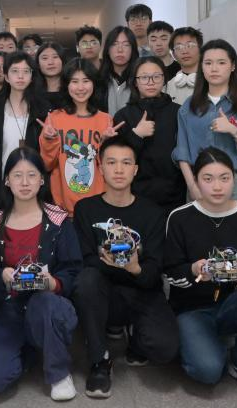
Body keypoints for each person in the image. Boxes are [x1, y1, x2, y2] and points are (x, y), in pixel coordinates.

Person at [164, 147, 237, 395]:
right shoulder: (180, 218)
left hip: (235, 303)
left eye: (224, 178)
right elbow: (169, 271)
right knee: (207, 371)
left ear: (233, 179)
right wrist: (194, 270)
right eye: (208, 178)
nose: (217, 186)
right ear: (196, 181)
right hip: (192, 309)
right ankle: (205, 344)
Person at [72, 136, 179, 398]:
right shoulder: (85, 209)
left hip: (142, 291)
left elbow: (154, 271)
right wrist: (118, 266)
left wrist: (134, 268)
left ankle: (137, 339)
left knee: (165, 349)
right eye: (111, 162)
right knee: (86, 280)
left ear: (135, 169)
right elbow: (84, 261)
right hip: (104, 291)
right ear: (100, 167)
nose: (119, 170)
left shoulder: (153, 213)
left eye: (126, 163)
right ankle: (99, 360)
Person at [0, 147, 82, 401]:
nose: (24, 182)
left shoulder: (58, 220)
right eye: (17, 175)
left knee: (46, 304)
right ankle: (28, 354)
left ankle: (58, 373)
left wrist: (53, 283)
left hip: (46, 306)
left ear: (42, 180)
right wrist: (1, 276)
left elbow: (74, 269)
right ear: (7, 181)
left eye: (32, 175)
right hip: (8, 309)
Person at [173, 39, 237, 206]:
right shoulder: (189, 106)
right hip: (199, 182)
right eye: (208, 63)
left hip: (235, 182)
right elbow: (182, 150)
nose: (214, 68)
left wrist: (233, 130)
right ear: (201, 67)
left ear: (233, 66)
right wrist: (192, 186)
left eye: (221, 63)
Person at [38, 58, 119, 216]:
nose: (80, 87)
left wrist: (106, 143)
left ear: (94, 84)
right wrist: (49, 140)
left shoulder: (105, 120)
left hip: (98, 207)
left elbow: (109, 167)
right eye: (74, 81)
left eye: (86, 81)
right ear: (66, 85)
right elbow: (46, 164)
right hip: (61, 210)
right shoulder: (54, 119)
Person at [0, 51, 50, 211]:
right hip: (1, 183)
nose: (20, 76)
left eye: (26, 71)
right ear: (6, 77)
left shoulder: (42, 109)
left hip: (33, 183)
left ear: (32, 76)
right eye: (15, 71)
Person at [113, 56, 185, 216]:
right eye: (144, 77)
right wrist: (136, 134)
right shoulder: (123, 116)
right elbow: (118, 158)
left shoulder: (179, 112)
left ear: (164, 79)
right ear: (135, 82)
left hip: (175, 195)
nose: (151, 82)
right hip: (134, 196)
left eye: (156, 76)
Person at [97, 26, 139, 115]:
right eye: (114, 44)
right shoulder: (97, 80)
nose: (120, 50)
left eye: (126, 45)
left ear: (133, 50)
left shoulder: (140, 80)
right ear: (107, 50)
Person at [167, 27, 203, 104]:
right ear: (173, 54)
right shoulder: (168, 87)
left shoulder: (214, 81)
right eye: (179, 47)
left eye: (190, 45)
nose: (185, 51)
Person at [36, 41, 65, 110]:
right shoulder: (31, 92)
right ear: (38, 64)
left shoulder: (73, 90)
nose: (50, 62)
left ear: (63, 61)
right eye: (45, 58)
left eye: (55, 57)